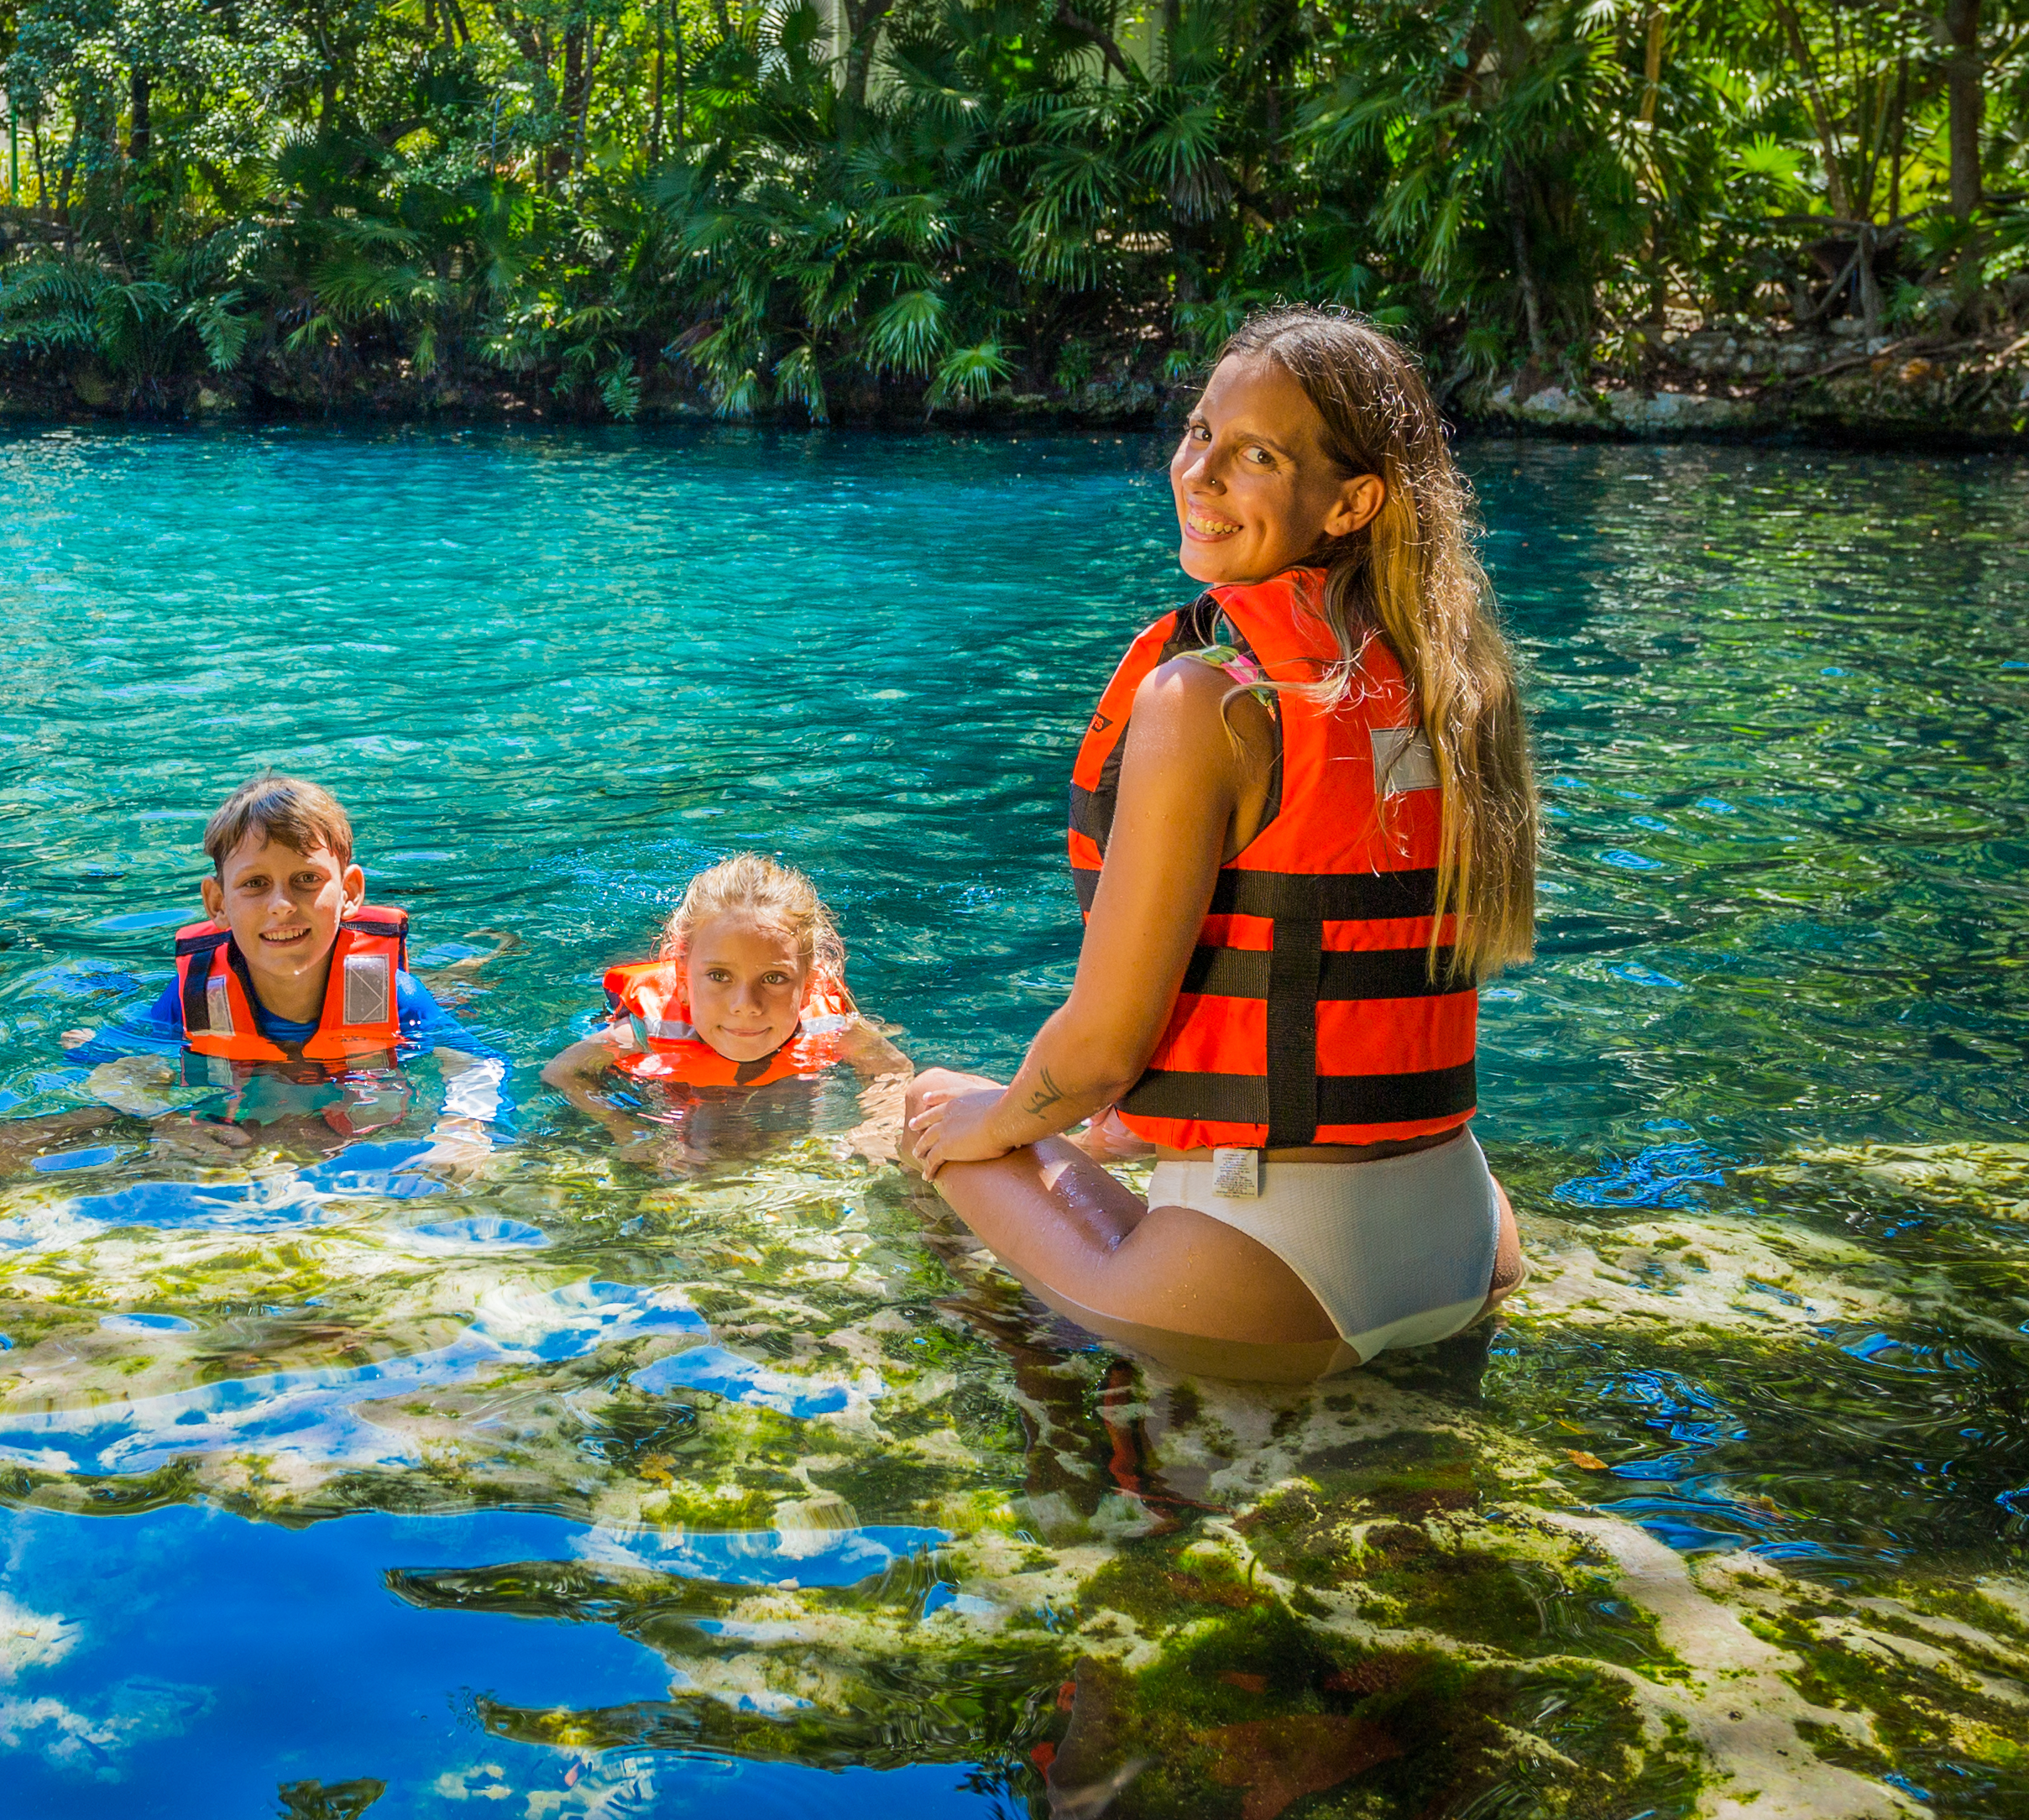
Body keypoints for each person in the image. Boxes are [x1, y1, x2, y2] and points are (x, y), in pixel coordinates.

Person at [902, 309, 1539, 1381]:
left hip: (1275, 1281)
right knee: (1043, 1127)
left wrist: (987, 1124)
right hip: (1465, 1238)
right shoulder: (1455, 681)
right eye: (1200, 432)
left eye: (1255, 455)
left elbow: (1102, 1050)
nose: (1197, 473)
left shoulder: (1208, 700)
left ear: (1353, 501)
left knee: (931, 1112)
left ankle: (1072, 1461)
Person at [75, 773, 505, 1169]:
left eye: (306, 879)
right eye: (255, 884)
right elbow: (111, 1070)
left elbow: (476, 1065)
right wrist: (163, 1119)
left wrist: (462, 1132)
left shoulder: (393, 994)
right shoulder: (195, 997)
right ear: (218, 904)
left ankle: (470, 969)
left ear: (350, 892)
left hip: (371, 1049)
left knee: (453, 997)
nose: (281, 904)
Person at [541, 853, 908, 1164]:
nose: (745, 1006)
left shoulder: (832, 1028)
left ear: (809, 984)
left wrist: (877, 1127)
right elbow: (562, 1073)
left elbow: (893, 1072)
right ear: (684, 981)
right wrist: (629, 1131)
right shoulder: (645, 1033)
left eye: (774, 979)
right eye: (719, 976)